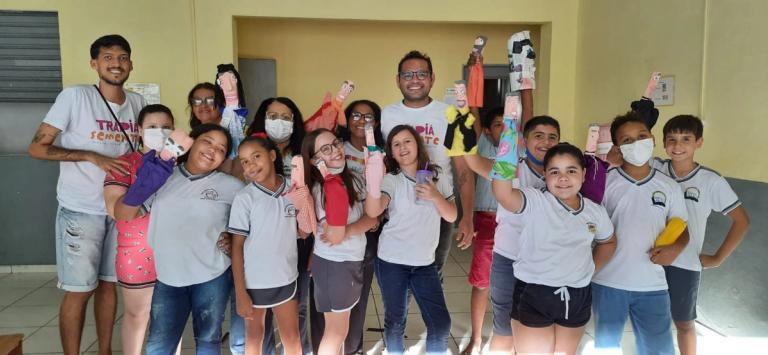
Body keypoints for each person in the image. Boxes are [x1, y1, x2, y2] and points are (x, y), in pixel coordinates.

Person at [27, 34, 146, 355]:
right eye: (108, 57)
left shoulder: (138, 104)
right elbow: (37, 147)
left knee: (109, 285)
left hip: (120, 211)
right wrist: (92, 156)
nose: (116, 64)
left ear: (131, 63)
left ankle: (104, 350)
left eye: (122, 57)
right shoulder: (75, 97)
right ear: (95, 64)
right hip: (80, 210)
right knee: (80, 290)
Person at [119, 123, 243, 354]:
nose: (213, 150)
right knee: (159, 343)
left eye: (221, 148)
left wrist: (232, 236)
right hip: (168, 276)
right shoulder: (163, 177)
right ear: (191, 142)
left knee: (208, 340)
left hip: (212, 275)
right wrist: (150, 177)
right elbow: (125, 214)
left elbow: (246, 225)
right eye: (207, 141)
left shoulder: (232, 187)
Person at [492, 141, 617, 355]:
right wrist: (508, 138)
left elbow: (609, 241)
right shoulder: (535, 201)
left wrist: (589, 269)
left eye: (571, 170)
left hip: (577, 295)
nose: (563, 178)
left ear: (584, 174)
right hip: (535, 292)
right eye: (554, 171)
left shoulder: (595, 211)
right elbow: (503, 194)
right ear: (545, 174)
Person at [591, 112, 690, 355]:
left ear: (653, 139)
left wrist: (675, 248)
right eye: (627, 140)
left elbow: (682, 227)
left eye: (641, 136)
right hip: (607, 281)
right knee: (607, 347)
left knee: (659, 349)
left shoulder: (669, 186)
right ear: (617, 148)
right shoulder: (605, 182)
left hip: (652, 285)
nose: (636, 143)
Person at [462, 115, 561, 353]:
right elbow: (474, 162)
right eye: (539, 136)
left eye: (552, 137)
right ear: (524, 141)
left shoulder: (563, 172)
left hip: (545, 258)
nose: (546, 142)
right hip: (508, 257)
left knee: (537, 322)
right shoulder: (509, 166)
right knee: (504, 324)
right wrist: (462, 130)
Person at [652, 115, 750, 355]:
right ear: (663, 143)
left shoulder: (710, 181)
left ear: (699, 142)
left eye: (686, 139)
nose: (678, 145)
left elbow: (742, 221)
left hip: (685, 263)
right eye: (671, 139)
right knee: (652, 318)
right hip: (650, 258)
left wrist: (717, 259)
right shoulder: (655, 168)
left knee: (684, 323)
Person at [380, 50, 475, 277]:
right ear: (398, 80)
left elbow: (463, 171)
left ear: (432, 78)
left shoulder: (450, 114)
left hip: (439, 207)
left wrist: (468, 217)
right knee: (395, 277)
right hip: (396, 209)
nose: (415, 79)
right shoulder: (386, 115)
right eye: (408, 74)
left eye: (421, 73)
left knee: (433, 276)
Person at [365, 124, 456, 355]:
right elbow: (375, 210)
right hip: (392, 261)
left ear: (417, 144)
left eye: (407, 141)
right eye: (396, 144)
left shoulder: (437, 175)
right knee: (396, 322)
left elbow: (452, 215)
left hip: (425, 263)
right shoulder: (391, 180)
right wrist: (373, 177)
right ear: (392, 153)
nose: (402, 147)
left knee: (441, 322)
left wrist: (435, 195)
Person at [103, 104, 174, 355]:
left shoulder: (180, 167)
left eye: (166, 127)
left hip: (175, 253)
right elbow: (115, 210)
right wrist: (146, 185)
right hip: (137, 253)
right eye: (152, 127)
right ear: (139, 132)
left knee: (169, 320)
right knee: (137, 315)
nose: (160, 132)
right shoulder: (124, 164)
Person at [244, 97, 312, 355]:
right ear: (262, 119)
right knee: (259, 313)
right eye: (273, 116)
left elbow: (311, 199)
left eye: (286, 117)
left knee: (298, 307)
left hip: (299, 240)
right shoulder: (250, 153)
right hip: (260, 243)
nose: (279, 123)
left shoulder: (303, 153)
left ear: (295, 123)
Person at [302, 129, 378, 355]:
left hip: (347, 263)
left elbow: (372, 218)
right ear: (315, 160)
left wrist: (350, 229)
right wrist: (356, 227)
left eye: (335, 144)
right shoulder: (324, 190)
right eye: (326, 149)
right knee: (335, 333)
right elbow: (335, 236)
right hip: (336, 266)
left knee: (338, 332)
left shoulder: (352, 179)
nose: (335, 150)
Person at [229, 135, 303, 355]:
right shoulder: (245, 198)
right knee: (254, 337)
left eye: (256, 156)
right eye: (244, 161)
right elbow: (236, 248)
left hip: (286, 277)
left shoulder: (294, 190)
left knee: (292, 337)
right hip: (254, 284)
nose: (251, 164)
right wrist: (241, 293)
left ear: (272, 155)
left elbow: (304, 228)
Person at [337, 99, 386, 354]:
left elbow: (387, 191)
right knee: (334, 299)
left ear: (375, 123)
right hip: (335, 232)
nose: (361, 121)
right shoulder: (336, 148)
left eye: (368, 117)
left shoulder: (380, 152)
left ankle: (353, 348)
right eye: (356, 115)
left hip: (369, 230)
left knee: (359, 295)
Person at [460, 107, 503, 354]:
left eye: (509, 124)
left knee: (514, 284)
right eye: (498, 124)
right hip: (487, 219)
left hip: (514, 222)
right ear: (487, 130)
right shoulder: (483, 144)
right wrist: (476, 72)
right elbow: (475, 114)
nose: (504, 129)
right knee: (481, 283)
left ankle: (507, 336)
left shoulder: (518, 148)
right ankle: (476, 339)